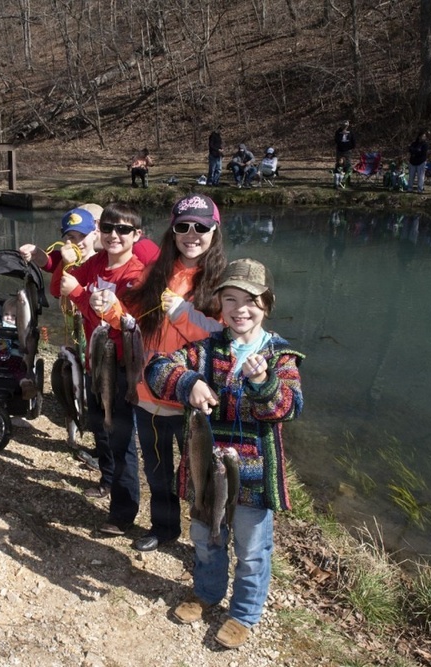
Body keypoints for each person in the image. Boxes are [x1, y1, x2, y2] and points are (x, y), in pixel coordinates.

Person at [145, 258, 304, 650]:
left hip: (252, 478)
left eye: (250, 300)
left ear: (266, 304)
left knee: (252, 552)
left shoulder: (281, 356)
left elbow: (289, 406)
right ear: (219, 305)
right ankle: (207, 592)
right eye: (230, 299)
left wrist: (263, 382)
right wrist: (189, 382)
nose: (240, 309)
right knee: (206, 537)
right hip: (205, 469)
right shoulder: (204, 349)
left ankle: (244, 612)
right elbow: (157, 368)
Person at [119, 193, 227, 552]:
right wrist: (106, 308)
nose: (191, 234)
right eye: (183, 226)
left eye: (201, 227)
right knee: (158, 471)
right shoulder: (155, 272)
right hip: (149, 396)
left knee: (202, 476)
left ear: (214, 231)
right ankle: (164, 529)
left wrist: (182, 312)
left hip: (194, 403)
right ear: (173, 230)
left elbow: (222, 336)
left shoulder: (224, 284)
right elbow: (131, 321)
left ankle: (207, 540)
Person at [60, 203, 146, 534]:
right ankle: (108, 481)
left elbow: (126, 323)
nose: (114, 235)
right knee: (100, 426)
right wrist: (64, 265)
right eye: (108, 228)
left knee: (121, 438)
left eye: (123, 230)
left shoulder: (137, 275)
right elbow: (60, 289)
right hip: (95, 362)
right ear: (99, 231)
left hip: (120, 366)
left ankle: (123, 514)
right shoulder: (95, 262)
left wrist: (82, 295)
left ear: (136, 235)